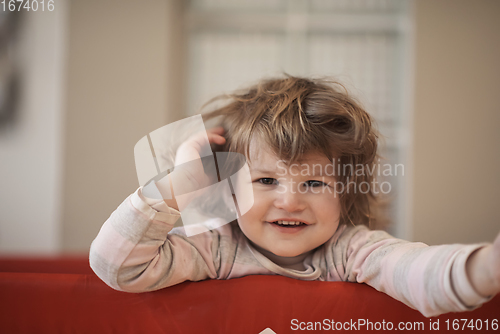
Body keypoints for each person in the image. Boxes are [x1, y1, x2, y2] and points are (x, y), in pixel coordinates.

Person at [89, 76, 500, 317]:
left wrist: (486, 268)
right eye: (266, 181)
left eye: (315, 184)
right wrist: (178, 184)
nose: (290, 201)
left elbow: (412, 269)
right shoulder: (215, 249)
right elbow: (116, 267)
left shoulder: (350, 250)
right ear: (230, 191)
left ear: (345, 194)